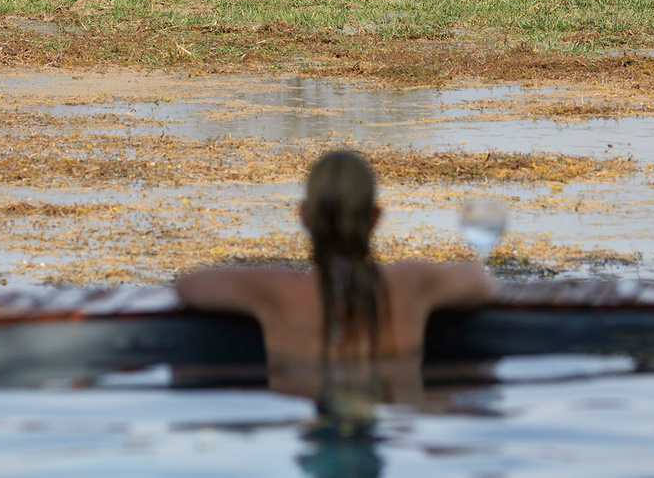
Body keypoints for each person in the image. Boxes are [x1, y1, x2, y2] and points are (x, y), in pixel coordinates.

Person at [175, 149, 495, 402]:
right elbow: (481, 283)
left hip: (309, 421)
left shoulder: (276, 291)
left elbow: (189, 285)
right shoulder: (410, 284)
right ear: (375, 217)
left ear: (304, 217)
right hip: (396, 423)